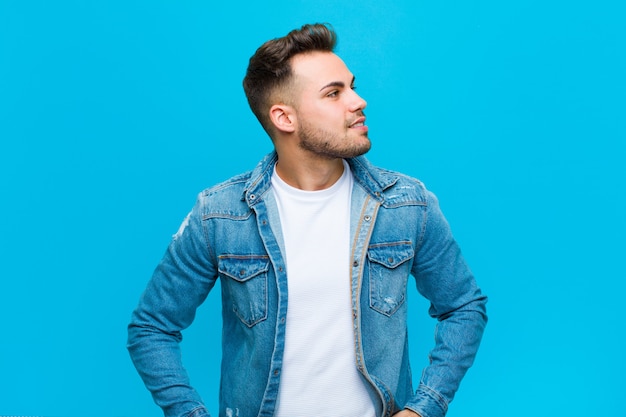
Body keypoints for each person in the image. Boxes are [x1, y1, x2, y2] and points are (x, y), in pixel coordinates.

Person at [127, 23, 487, 417]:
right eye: (334, 93)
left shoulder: (406, 204)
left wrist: (424, 408)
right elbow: (151, 328)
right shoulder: (219, 214)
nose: (358, 101)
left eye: (351, 86)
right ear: (284, 118)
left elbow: (464, 306)